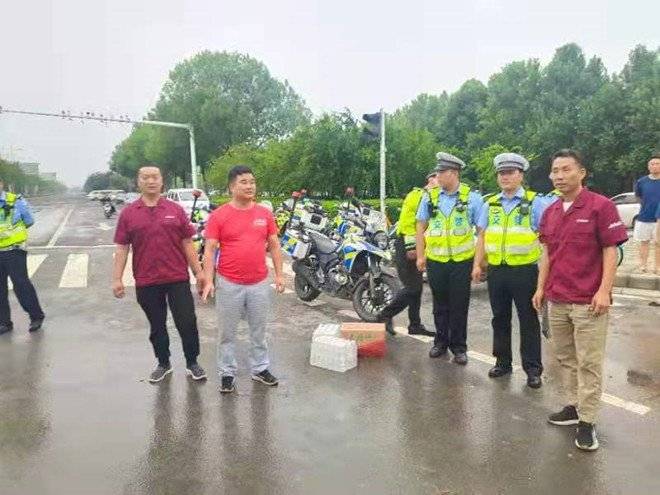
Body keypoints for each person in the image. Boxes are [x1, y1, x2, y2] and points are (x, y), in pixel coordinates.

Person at [532, 149, 628, 451]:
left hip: (589, 301)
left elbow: (610, 250)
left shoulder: (600, 206)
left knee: (589, 363)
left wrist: (604, 290)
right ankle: (573, 406)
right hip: (557, 298)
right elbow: (547, 253)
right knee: (565, 358)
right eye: (555, 171)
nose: (559, 176)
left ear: (581, 172)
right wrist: (540, 288)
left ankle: (587, 421)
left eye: (566, 169)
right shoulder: (550, 211)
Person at [112, 165, 207, 383]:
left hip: (177, 278)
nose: (150, 181)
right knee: (157, 325)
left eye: (155, 177)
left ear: (162, 180)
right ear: (139, 182)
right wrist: (117, 278)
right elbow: (122, 247)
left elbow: (187, 242)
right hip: (147, 280)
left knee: (187, 322)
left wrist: (199, 272)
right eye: (145, 177)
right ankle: (163, 363)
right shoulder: (129, 213)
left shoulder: (175, 209)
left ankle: (192, 362)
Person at [201, 165, 285, 394]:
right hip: (229, 283)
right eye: (244, 182)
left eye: (252, 182)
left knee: (259, 330)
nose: (250, 186)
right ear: (231, 187)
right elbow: (209, 250)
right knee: (227, 333)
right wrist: (208, 280)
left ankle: (260, 368)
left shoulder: (264, 214)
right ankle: (227, 373)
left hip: (259, 282)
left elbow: (274, 246)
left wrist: (279, 275)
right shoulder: (219, 216)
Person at [472, 153, 546, 389]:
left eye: (510, 173)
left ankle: (532, 369)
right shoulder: (491, 204)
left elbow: (547, 240)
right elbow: (482, 236)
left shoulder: (535, 203)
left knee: (528, 319)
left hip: (524, 271)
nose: (505, 177)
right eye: (501, 173)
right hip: (497, 271)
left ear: (521, 175)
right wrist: (477, 264)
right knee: (500, 318)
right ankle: (502, 362)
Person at [416, 152, 484, 364]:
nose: (437, 176)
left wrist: (477, 264)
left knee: (459, 306)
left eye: (441, 172)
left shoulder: (472, 198)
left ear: (453, 173)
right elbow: (420, 226)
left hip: (461, 263)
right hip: (436, 262)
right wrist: (420, 256)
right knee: (439, 305)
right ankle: (440, 342)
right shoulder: (430, 197)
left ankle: (459, 347)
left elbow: (482, 232)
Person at [377, 172, 438, 337]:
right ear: (430, 179)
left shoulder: (434, 198)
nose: (440, 182)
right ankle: (385, 314)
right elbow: (407, 223)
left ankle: (415, 325)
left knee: (417, 288)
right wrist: (412, 247)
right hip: (406, 246)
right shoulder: (417, 195)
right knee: (412, 288)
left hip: (419, 247)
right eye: (437, 178)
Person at [0, 178, 45, 334]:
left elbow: (29, 220)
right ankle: (4, 322)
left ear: (1, 184)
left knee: (21, 285)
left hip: (14, 250)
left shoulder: (15, 201)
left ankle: (36, 316)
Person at [633, 153, 660, 274]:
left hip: (658, 219)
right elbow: (638, 196)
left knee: (658, 243)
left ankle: (658, 267)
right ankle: (643, 265)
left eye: (657, 164)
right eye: (652, 164)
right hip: (644, 217)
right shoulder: (641, 182)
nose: (655, 166)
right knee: (644, 242)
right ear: (648, 166)